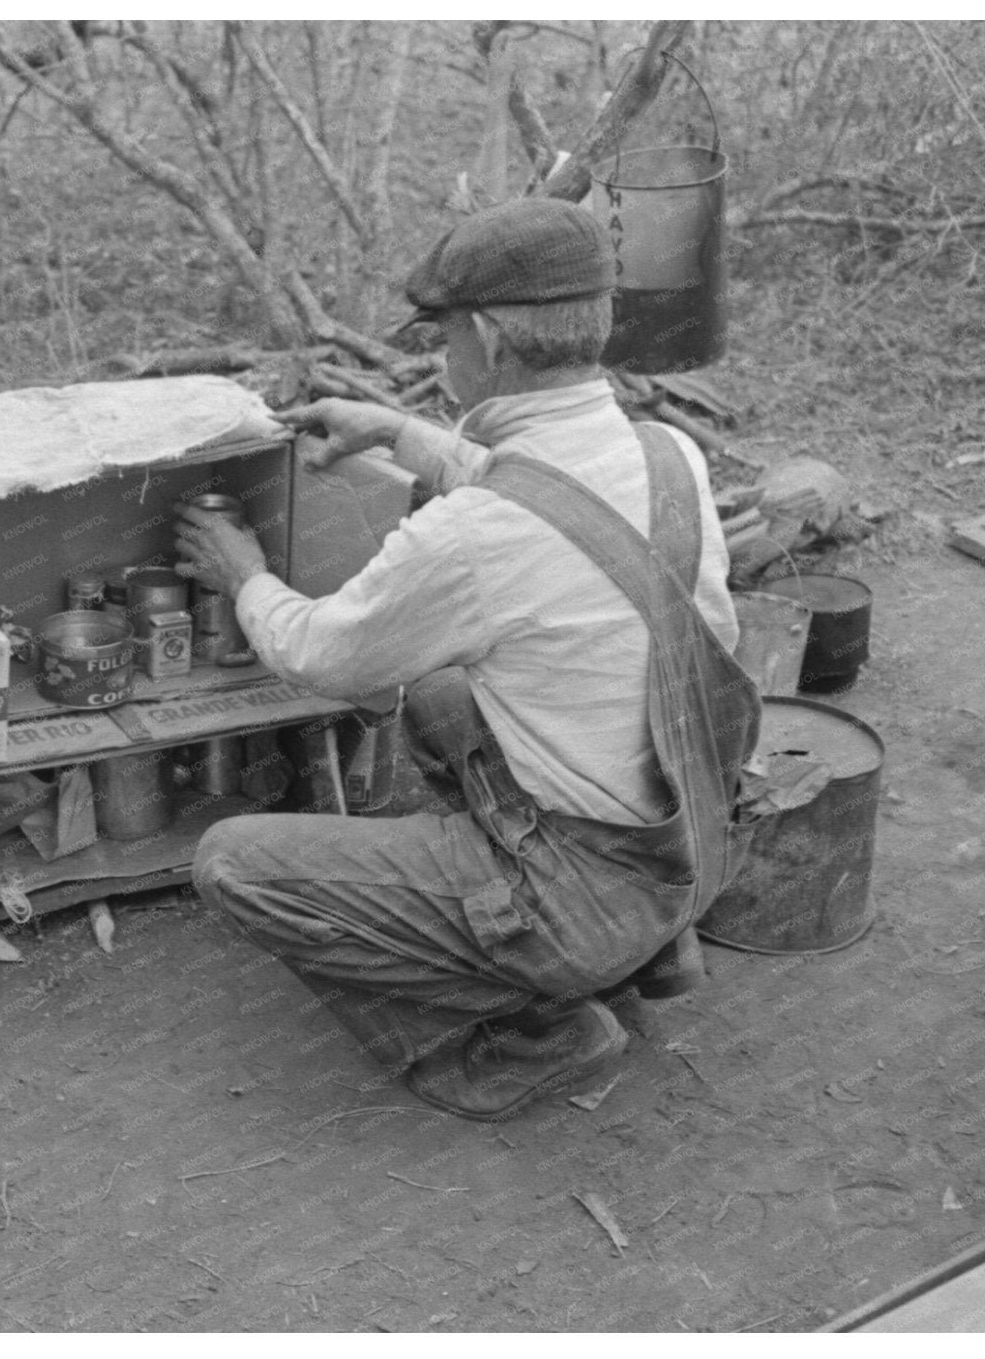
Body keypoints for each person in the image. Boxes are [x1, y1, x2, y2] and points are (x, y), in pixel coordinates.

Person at [172, 197, 761, 1121]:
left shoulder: (474, 536)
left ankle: (529, 1034)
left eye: (445, 338)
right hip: (693, 837)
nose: (444, 359)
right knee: (444, 695)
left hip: (576, 886)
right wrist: (394, 430)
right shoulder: (665, 452)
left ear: (487, 335)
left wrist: (241, 572)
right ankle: (655, 946)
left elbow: (324, 657)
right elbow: (548, 498)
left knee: (233, 864)